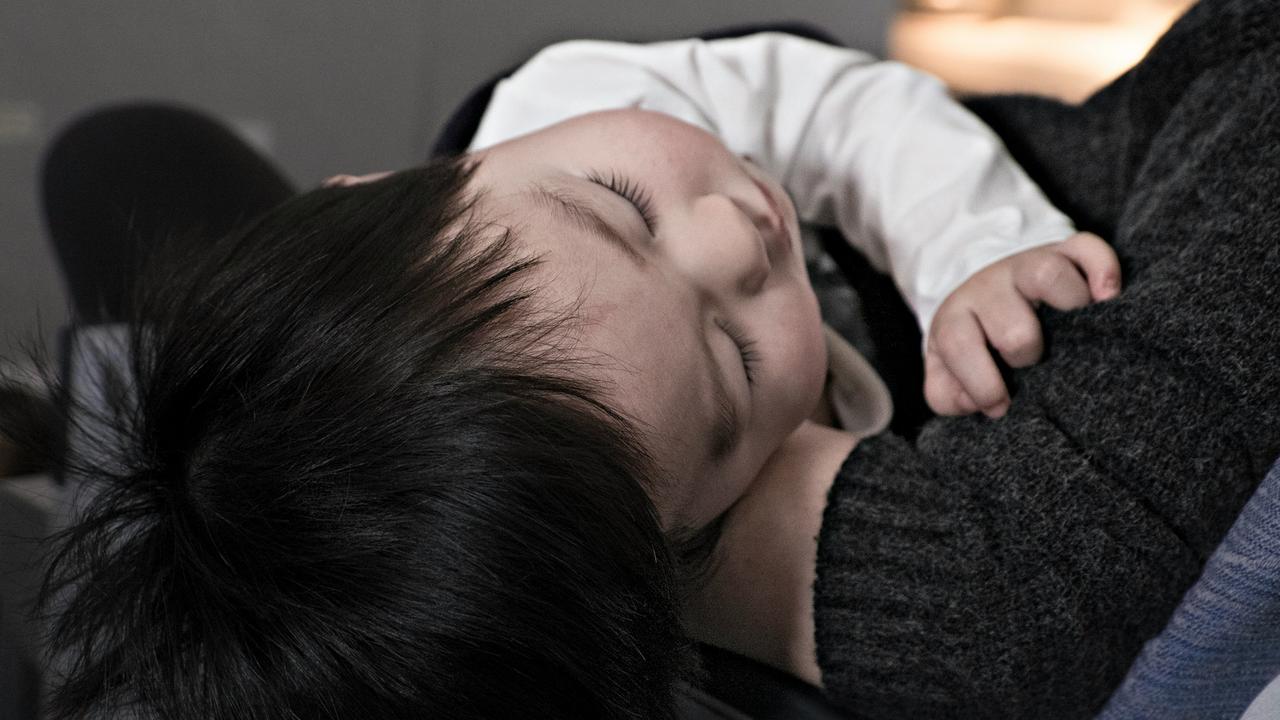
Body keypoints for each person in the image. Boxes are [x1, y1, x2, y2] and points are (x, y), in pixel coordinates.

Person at [10, 2, 1280, 717]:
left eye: (622, 207)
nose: (737, 239)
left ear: (397, 183)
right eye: (734, 365)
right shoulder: (645, 495)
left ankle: (126, 429)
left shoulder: (584, 95)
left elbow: (847, 110)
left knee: (120, 170)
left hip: (932, 201)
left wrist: (973, 257)